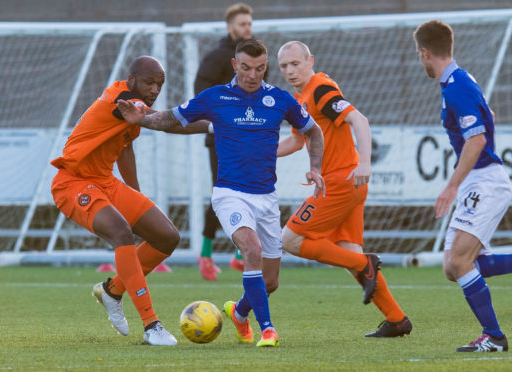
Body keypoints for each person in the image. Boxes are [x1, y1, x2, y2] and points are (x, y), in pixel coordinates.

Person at [117, 39, 325, 347]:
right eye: (246, 68)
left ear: (265, 66)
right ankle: (267, 328)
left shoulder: (280, 100)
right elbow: (170, 118)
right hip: (230, 193)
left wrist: (316, 168)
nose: (253, 75)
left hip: (266, 198)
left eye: (259, 68)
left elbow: (313, 131)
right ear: (234, 65)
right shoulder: (216, 97)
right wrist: (142, 119)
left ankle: (239, 313)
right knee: (251, 251)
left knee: (270, 282)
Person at [51, 56, 208, 346]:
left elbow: (124, 150)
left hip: (105, 182)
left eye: (159, 84)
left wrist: (134, 194)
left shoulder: (133, 108)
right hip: (72, 182)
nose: (154, 89)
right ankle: (152, 325)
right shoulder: (122, 99)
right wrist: (214, 126)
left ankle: (111, 291)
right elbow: (167, 123)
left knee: (167, 237)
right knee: (122, 232)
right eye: (149, 82)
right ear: (132, 79)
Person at [277, 41, 412, 337]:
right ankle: (396, 319)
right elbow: (297, 142)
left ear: (310, 60)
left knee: (289, 239)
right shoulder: (299, 99)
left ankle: (365, 264)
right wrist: (259, 153)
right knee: (349, 251)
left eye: (295, 63)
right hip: (343, 184)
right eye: (284, 66)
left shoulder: (321, 89)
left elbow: (359, 119)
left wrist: (365, 163)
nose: (289, 70)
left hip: (341, 182)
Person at [413, 20, 512, 352]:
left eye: (418, 55)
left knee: (458, 262)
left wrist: (451, 186)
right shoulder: (460, 80)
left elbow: (478, 139)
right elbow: (489, 116)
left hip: (484, 180)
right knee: (452, 266)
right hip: (480, 180)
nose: (419, 60)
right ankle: (493, 337)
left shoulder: (456, 87)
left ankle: (494, 337)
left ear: (426, 52)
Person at [194, 2, 254, 280]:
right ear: (230, 28)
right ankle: (205, 255)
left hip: (248, 137)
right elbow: (200, 91)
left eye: (250, 23)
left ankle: (240, 255)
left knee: (248, 191)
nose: (248, 28)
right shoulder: (218, 57)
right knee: (224, 193)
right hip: (221, 138)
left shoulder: (254, 57)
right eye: (243, 24)